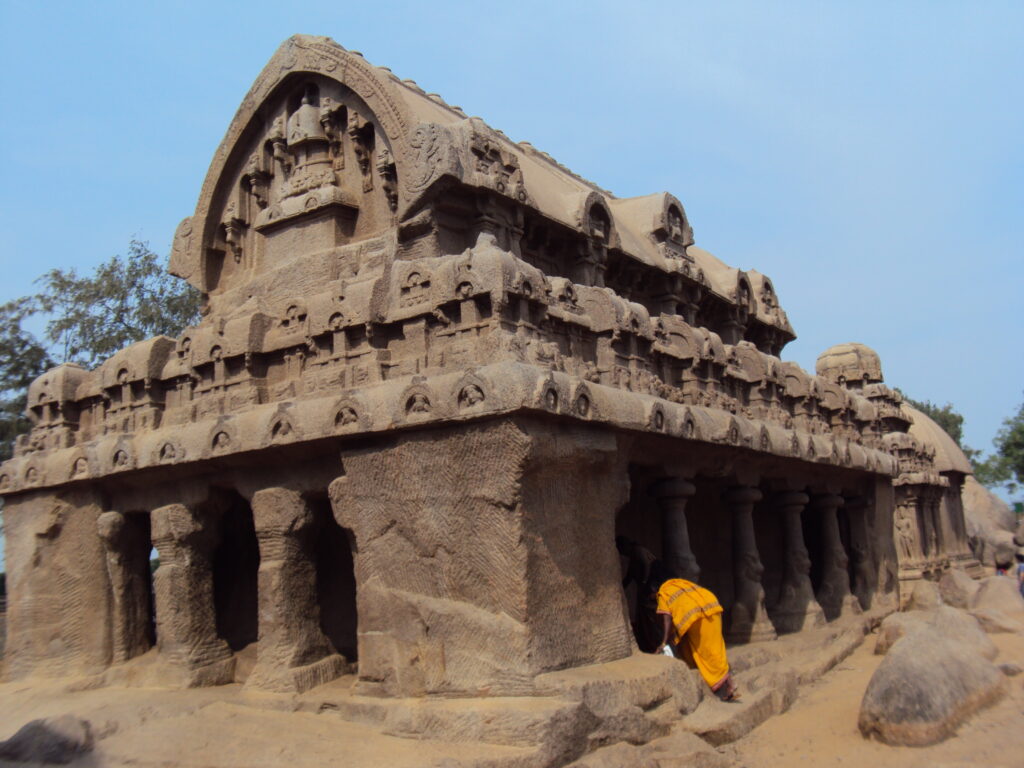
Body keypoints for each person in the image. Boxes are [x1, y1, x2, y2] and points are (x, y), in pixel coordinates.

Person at [651, 563, 739, 702]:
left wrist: (663, 642)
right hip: (712, 605)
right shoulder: (680, 583)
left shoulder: (663, 591)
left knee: (706, 653)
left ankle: (723, 691)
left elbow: (666, 618)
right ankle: (728, 685)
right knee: (716, 649)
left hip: (696, 615)